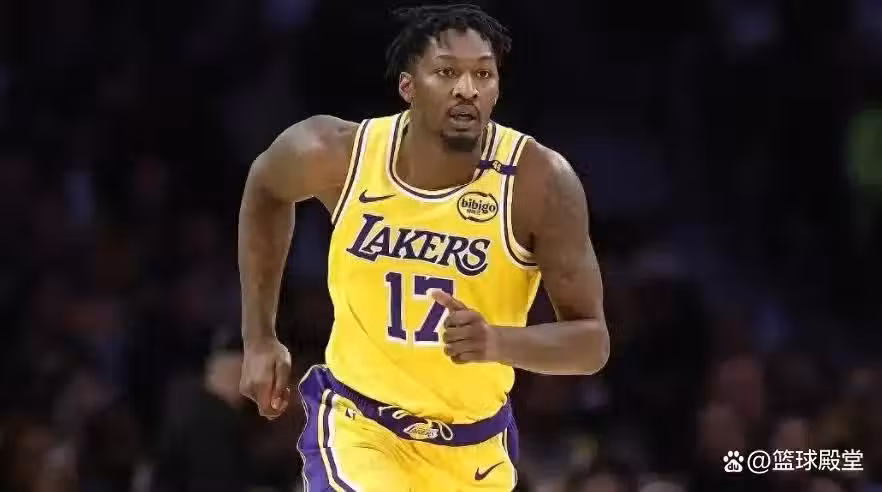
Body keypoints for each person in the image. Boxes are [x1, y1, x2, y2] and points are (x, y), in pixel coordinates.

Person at [237, 4, 609, 491]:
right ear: (408, 86)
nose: (467, 89)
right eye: (447, 72)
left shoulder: (539, 182)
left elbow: (591, 343)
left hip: (474, 445)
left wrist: (497, 342)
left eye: (483, 74)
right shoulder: (340, 153)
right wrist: (259, 337)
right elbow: (266, 186)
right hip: (360, 427)